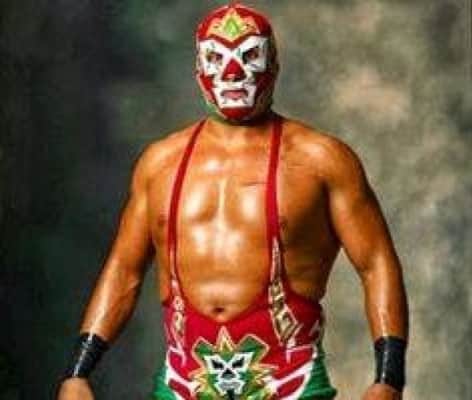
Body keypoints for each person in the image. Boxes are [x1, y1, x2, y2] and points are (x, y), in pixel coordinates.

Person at [57, 3, 408, 400]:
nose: (232, 72)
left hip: (290, 385)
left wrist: (389, 378)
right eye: (217, 58)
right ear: (198, 69)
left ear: (273, 64)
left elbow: (376, 262)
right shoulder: (160, 163)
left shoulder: (322, 160)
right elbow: (125, 268)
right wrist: (78, 372)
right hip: (183, 385)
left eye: (248, 55)